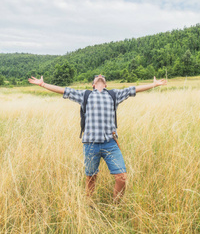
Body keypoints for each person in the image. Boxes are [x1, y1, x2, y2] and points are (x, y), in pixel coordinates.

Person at [28, 74, 167, 203]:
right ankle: (89, 204)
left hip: (110, 144)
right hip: (90, 144)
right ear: (93, 85)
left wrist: (154, 85)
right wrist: (43, 84)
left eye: (102, 77)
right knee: (91, 179)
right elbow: (63, 90)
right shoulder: (85, 95)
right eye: (97, 77)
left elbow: (134, 89)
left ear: (105, 85)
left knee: (122, 178)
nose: (100, 76)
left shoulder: (114, 95)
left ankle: (115, 206)